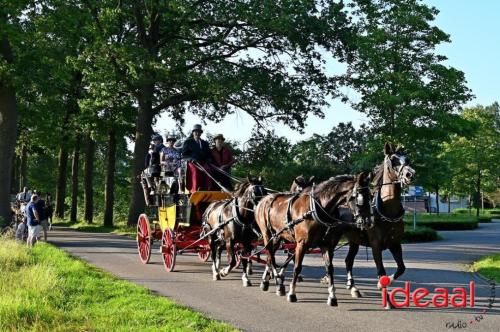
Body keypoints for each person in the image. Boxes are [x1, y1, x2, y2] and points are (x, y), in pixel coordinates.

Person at [181, 124, 213, 193]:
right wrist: (191, 159)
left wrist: (209, 159)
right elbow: (184, 155)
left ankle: (207, 189)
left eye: (199, 132)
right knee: (195, 170)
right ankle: (194, 190)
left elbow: (209, 154)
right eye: (196, 132)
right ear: (193, 132)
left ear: (201, 133)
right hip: (193, 163)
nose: (197, 133)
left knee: (208, 169)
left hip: (203, 162)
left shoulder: (205, 143)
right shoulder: (188, 142)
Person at [141, 134, 166, 205]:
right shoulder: (165, 148)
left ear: (160, 140)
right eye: (154, 141)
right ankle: (152, 189)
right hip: (162, 170)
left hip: (158, 170)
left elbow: (151, 161)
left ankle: (150, 201)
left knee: (144, 176)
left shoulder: (158, 148)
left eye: (155, 140)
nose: (155, 142)